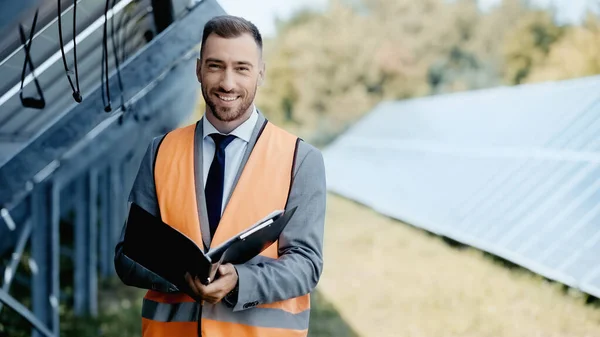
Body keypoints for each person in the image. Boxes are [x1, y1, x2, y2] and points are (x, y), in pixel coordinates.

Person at [114, 15, 327, 337]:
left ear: (261, 73)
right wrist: (182, 276)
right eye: (216, 66)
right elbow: (126, 258)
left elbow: (306, 265)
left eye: (242, 68)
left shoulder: (301, 159)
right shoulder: (160, 152)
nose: (228, 82)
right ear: (198, 69)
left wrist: (242, 281)